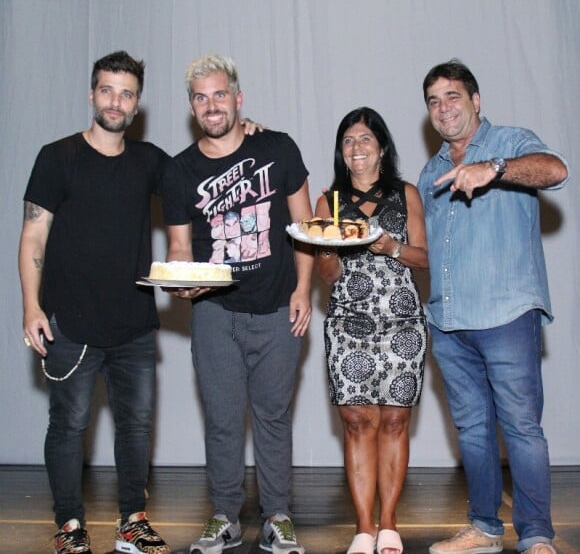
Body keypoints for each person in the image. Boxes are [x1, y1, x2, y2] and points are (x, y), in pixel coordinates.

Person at [18, 51, 171, 554]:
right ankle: (70, 527)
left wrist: (246, 127)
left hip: (134, 327)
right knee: (69, 426)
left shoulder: (149, 161)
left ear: (137, 104)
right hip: (70, 325)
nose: (115, 101)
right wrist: (32, 307)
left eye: (126, 93)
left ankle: (133, 521)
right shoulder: (57, 156)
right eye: (107, 90)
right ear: (91, 94)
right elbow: (33, 239)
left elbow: (199, 173)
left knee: (135, 428)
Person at [161, 54, 314, 554]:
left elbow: (305, 229)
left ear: (238, 98)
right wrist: (181, 282)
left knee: (273, 417)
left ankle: (278, 516)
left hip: (275, 311)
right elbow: (180, 249)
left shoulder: (278, 147)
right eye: (201, 97)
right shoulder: (180, 171)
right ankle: (225, 516)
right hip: (215, 315)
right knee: (223, 419)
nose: (211, 105)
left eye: (219, 94)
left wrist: (301, 291)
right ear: (191, 107)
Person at [417, 59, 569, 554]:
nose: (444, 108)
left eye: (453, 96)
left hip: (506, 313)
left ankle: (537, 534)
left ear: (476, 101)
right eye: (434, 101)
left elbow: (556, 170)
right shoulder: (430, 171)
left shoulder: (511, 141)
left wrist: (495, 169)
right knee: (473, 431)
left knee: (522, 428)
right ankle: (483, 528)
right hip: (449, 321)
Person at [314, 107, 428, 554]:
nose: (356, 148)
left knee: (396, 422)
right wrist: (329, 251)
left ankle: (389, 524)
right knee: (358, 423)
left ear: (381, 147)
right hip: (349, 324)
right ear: (340, 152)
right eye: (348, 141)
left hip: (402, 323)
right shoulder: (330, 202)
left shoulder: (407, 194)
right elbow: (326, 275)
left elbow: (426, 258)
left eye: (364, 139)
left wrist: (390, 246)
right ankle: (363, 528)